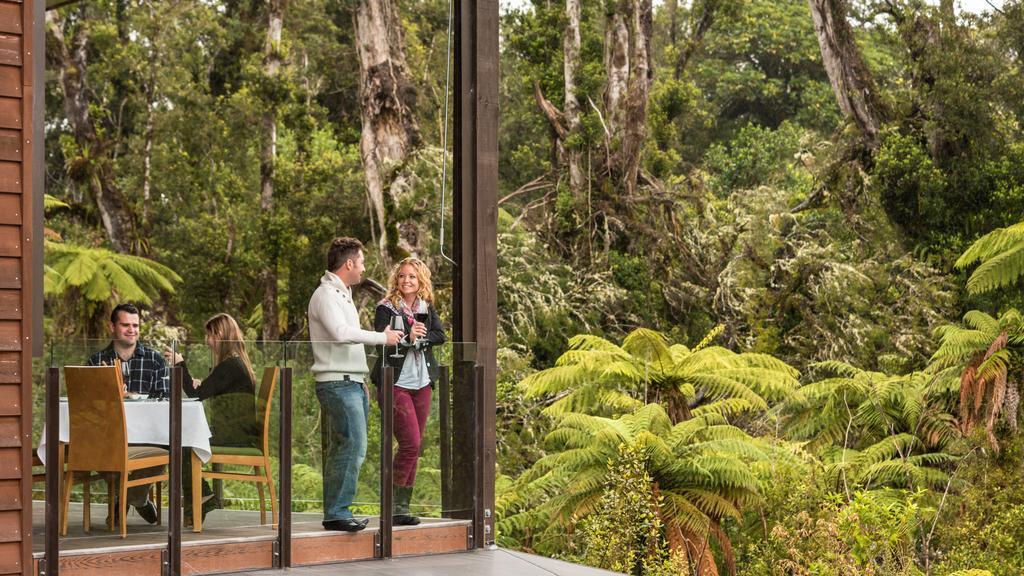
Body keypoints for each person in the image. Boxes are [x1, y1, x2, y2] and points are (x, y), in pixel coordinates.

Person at [308, 237, 402, 532]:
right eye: (361, 262)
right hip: (337, 382)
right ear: (348, 263)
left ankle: (336, 512)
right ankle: (338, 512)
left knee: (346, 446)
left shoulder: (343, 294)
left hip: (351, 381)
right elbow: (340, 333)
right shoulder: (326, 295)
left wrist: (362, 379)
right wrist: (382, 338)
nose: (363, 268)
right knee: (355, 446)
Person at [164, 313, 259, 525]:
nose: (207, 341)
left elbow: (195, 394)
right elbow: (206, 389)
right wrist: (201, 383)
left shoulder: (230, 366)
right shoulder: (234, 363)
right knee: (184, 442)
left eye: (211, 336)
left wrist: (180, 364)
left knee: (182, 444)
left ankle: (201, 499)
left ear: (222, 335)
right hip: (238, 431)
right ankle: (200, 499)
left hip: (234, 435)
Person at [370, 257, 446, 526]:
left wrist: (421, 339)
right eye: (402, 276)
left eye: (412, 276)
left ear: (420, 279)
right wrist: (407, 337)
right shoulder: (386, 308)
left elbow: (440, 335)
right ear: (396, 280)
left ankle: (401, 506)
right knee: (411, 444)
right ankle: (392, 504)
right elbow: (382, 342)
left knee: (414, 447)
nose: (406, 281)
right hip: (395, 383)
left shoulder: (427, 307)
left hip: (422, 384)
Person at [87, 303, 168, 525]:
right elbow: (87, 406)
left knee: (166, 445)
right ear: (112, 327)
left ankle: (125, 498)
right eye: (125, 325)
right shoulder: (95, 362)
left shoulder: (155, 360)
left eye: (135, 325)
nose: (132, 330)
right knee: (93, 442)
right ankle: (139, 500)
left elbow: (166, 400)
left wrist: (133, 396)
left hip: (148, 435)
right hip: (108, 434)